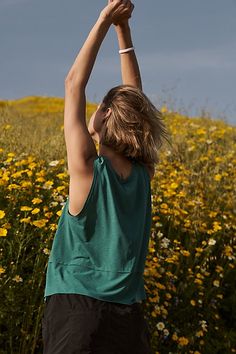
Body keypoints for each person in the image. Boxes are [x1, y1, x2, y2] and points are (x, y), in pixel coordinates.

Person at [42, 1, 171, 353]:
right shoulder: (142, 174)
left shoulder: (87, 169)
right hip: (128, 317)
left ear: (107, 114)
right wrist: (122, 30)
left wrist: (104, 19)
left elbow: (73, 84)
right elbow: (136, 100)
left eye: (99, 106)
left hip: (76, 309)